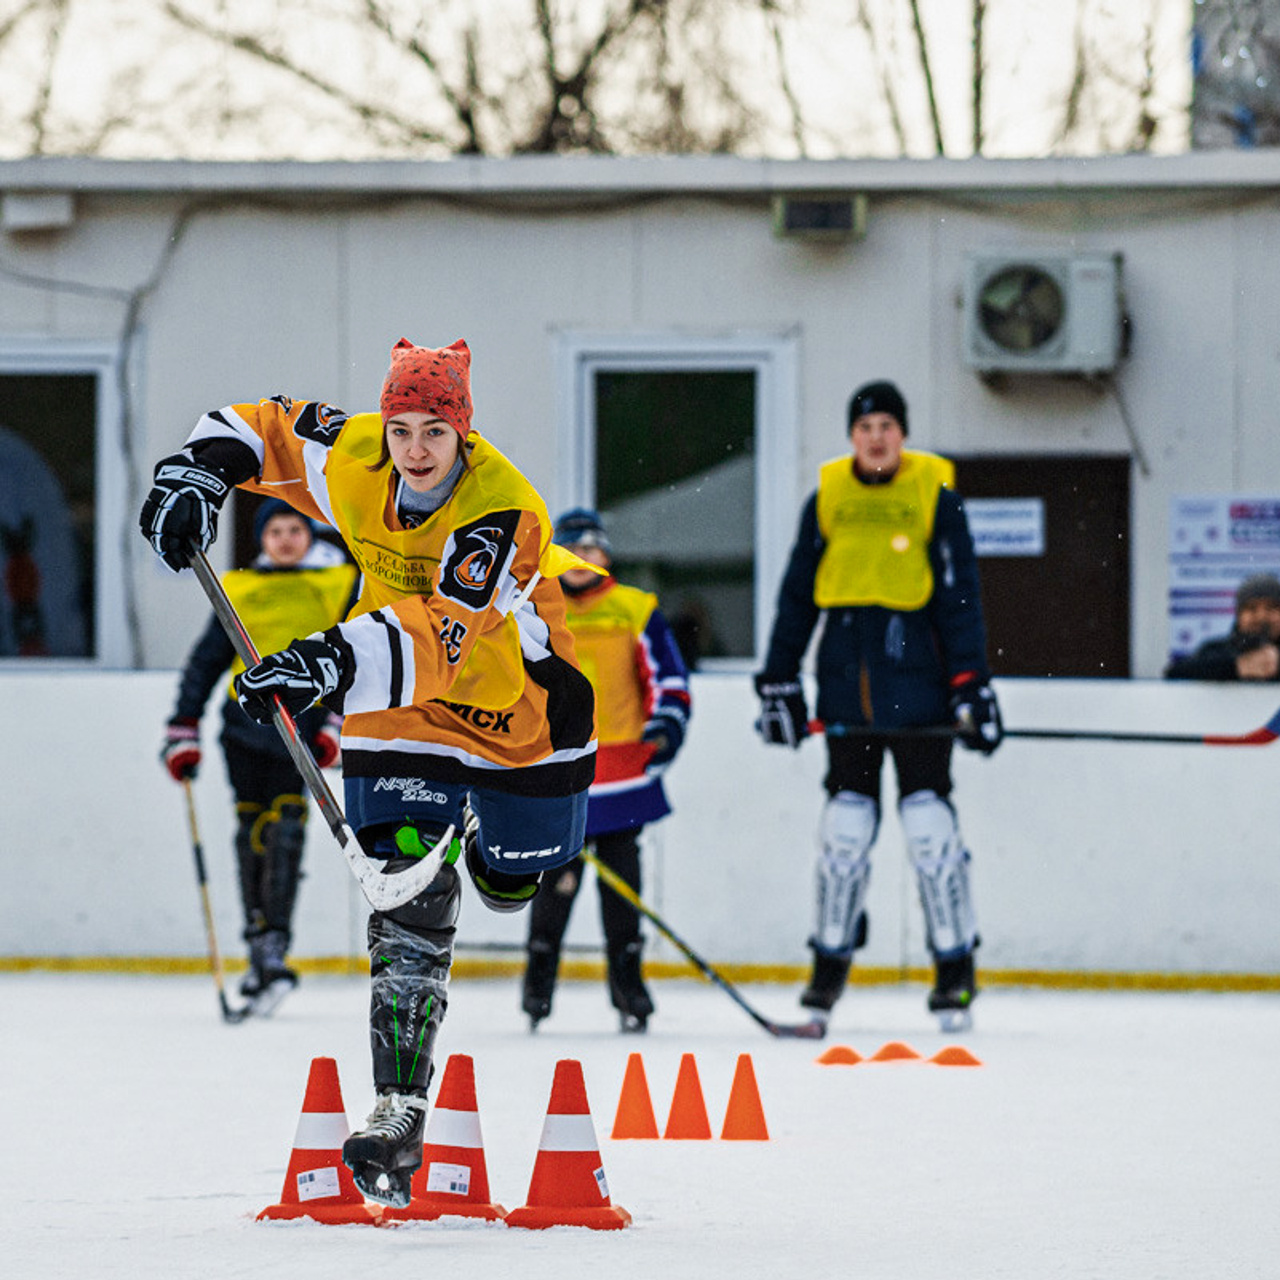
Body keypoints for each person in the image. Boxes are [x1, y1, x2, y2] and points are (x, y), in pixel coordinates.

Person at [139, 338, 596, 1207]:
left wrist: (324, 660)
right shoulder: (355, 452)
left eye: (435, 430)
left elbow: (445, 634)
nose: (415, 449)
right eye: (402, 428)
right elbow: (263, 426)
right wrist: (196, 473)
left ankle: (491, 860)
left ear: (464, 432)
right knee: (405, 898)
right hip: (400, 712)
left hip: (517, 716)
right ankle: (398, 1104)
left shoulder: (503, 513)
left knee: (510, 882)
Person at [753, 379, 1001, 1033]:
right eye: (866, 427)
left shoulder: (933, 493)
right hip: (847, 687)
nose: (877, 437)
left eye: (888, 425)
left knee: (928, 825)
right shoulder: (828, 497)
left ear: (903, 433)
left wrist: (973, 684)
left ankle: (955, 971)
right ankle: (827, 971)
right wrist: (779, 679)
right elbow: (797, 595)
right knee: (845, 827)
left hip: (921, 690)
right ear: (852, 436)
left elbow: (960, 595)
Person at [160, 497, 357, 1015]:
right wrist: (184, 726)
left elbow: (354, 659)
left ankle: (276, 945)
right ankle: (257, 945)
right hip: (243, 731)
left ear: (311, 535)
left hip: (300, 728)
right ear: (262, 540)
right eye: (276, 531)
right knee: (251, 832)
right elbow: (206, 662)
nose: (286, 539)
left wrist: (337, 722)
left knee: (286, 830)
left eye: (296, 529)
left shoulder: (338, 586)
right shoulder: (240, 589)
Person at [521, 508, 691, 1032]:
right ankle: (538, 987)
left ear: (606, 556)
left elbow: (667, 679)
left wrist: (667, 725)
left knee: (623, 892)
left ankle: (629, 989)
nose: (583, 558)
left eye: (592, 549)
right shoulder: (533, 610)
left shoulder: (635, 608)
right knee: (555, 887)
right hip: (559, 770)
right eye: (572, 549)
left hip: (620, 773)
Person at [1165, 573, 1280, 681]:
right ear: (1238, 615)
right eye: (1251, 608)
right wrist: (1237, 667)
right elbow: (1175, 673)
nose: (1261, 617)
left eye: (1271, 607)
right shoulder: (1215, 651)